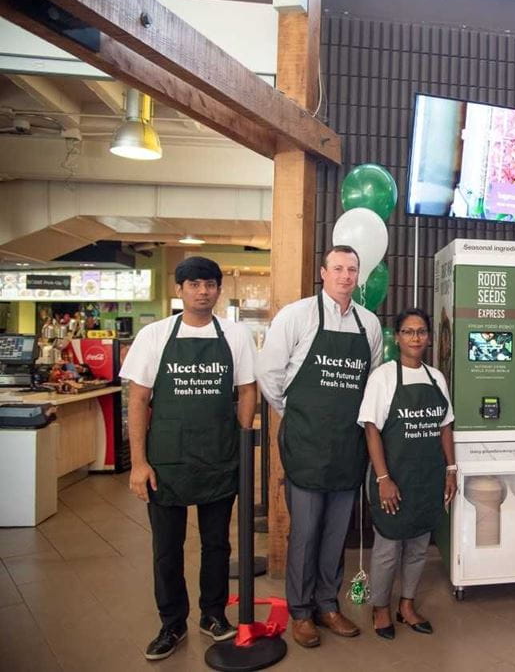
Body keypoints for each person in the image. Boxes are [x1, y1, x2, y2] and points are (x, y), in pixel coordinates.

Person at [120, 256, 257, 661]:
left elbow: (247, 390)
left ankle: (212, 615)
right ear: (179, 289)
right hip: (167, 462)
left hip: (219, 457)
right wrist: (139, 463)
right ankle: (172, 623)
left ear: (218, 290)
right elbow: (138, 399)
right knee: (167, 549)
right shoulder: (155, 335)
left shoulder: (235, 335)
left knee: (217, 544)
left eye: (210, 284)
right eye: (194, 284)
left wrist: (240, 441)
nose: (203, 291)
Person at [256, 245, 383, 648]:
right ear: (323, 273)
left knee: (335, 533)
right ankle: (300, 611)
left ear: (358, 276)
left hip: (348, 443)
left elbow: (372, 382)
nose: (346, 276)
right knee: (306, 532)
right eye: (338, 268)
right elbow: (269, 374)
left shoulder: (369, 324)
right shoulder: (296, 316)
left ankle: (328, 605)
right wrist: (296, 413)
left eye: (352, 270)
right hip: (307, 441)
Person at [357, 308, 457, 639]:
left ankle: (407, 605)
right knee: (388, 548)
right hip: (394, 478)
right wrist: (383, 479)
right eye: (408, 331)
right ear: (397, 337)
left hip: (427, 477)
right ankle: (380, 607)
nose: (415, 337)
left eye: (421, 331)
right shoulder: (383, 377)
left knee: (418, 546)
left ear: (429, 337)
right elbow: (371, 430)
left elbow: (445, 426)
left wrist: (451, 469)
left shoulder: (436, 377)